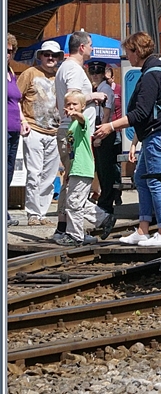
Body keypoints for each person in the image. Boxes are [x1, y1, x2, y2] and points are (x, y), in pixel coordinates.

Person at [95, 32, 161, 248]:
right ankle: (143, 229)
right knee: (141, 178)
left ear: (136, 51)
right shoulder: (159, 69)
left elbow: (141, 113)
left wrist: (111, 126)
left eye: (128, 53)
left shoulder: (151, 75)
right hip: (156, 134)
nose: (127, 57)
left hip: (157, 136)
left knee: (155, 181)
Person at [54, 32, 108, 240]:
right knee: (74, 182)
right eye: (91, 45)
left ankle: (64, 227)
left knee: (70, 181)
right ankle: (96, 219)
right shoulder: (74, 70)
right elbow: (73, 98)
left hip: (71, 130)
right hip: (74, 131)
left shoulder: (65, 67)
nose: (92, 49)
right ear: (82, 47)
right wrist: (95, 95)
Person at [17, 41, 63, 225]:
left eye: (54, 55)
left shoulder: (61, 75)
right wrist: (22, 120)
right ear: (40, 56)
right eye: (46, 54)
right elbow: (15, 98)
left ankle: (42, 213)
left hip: (55, 131)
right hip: (33, 128)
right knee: (34, 173)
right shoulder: (30, 73)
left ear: (59, 57)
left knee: (50, 176)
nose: (50, 58)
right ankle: (33, 213)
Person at [58, 90, 99, 246]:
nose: (71, 107)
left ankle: (75, 236)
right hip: (75, 167)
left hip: (83, 167)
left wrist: (76, 114)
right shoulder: (71, 126)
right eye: (68, 104)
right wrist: (68, 169)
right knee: (75, 202)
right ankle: (103, 218)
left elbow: (82, 119)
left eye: (75, 104)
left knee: (74, 203)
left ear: (82, 106)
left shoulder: (81, 122)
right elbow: (71, 150)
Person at [86, 59, 120, 238]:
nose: (95, 75)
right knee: (102, 168)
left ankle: (107, 203)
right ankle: (107, 200)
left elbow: (106, 114)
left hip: (103, 128)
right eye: (92, 72)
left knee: (105, 169)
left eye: (98, 72)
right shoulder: (97, 89)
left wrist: (100, 135)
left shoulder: (105, 89)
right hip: (100, 128)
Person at [7, 33, 28, 226]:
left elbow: (17, 101)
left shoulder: (11, 72)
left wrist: (23, 120)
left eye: (10, 51)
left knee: (9, 170)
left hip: (14, 129)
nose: (8, 54)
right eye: (5, 50)